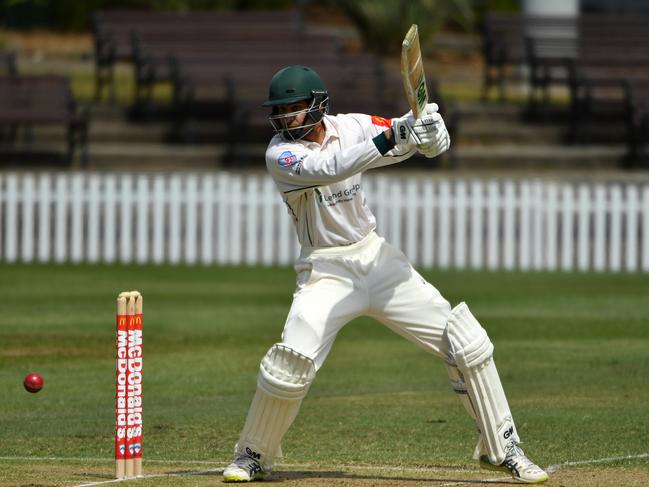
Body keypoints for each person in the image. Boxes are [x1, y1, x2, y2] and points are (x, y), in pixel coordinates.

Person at [223, 65, 548, 484]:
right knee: (290, 363)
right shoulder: (280, 154)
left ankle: (504, 448)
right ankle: (253, 454)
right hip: (325, 270)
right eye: (281, 111)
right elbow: (333, 168)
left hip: (376, 259)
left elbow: (400, 136)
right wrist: (396, 137)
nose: (288, 119)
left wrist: (428, 133)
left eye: (296, 109)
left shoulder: (353, 125)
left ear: (319, 105)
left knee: (464, 340)